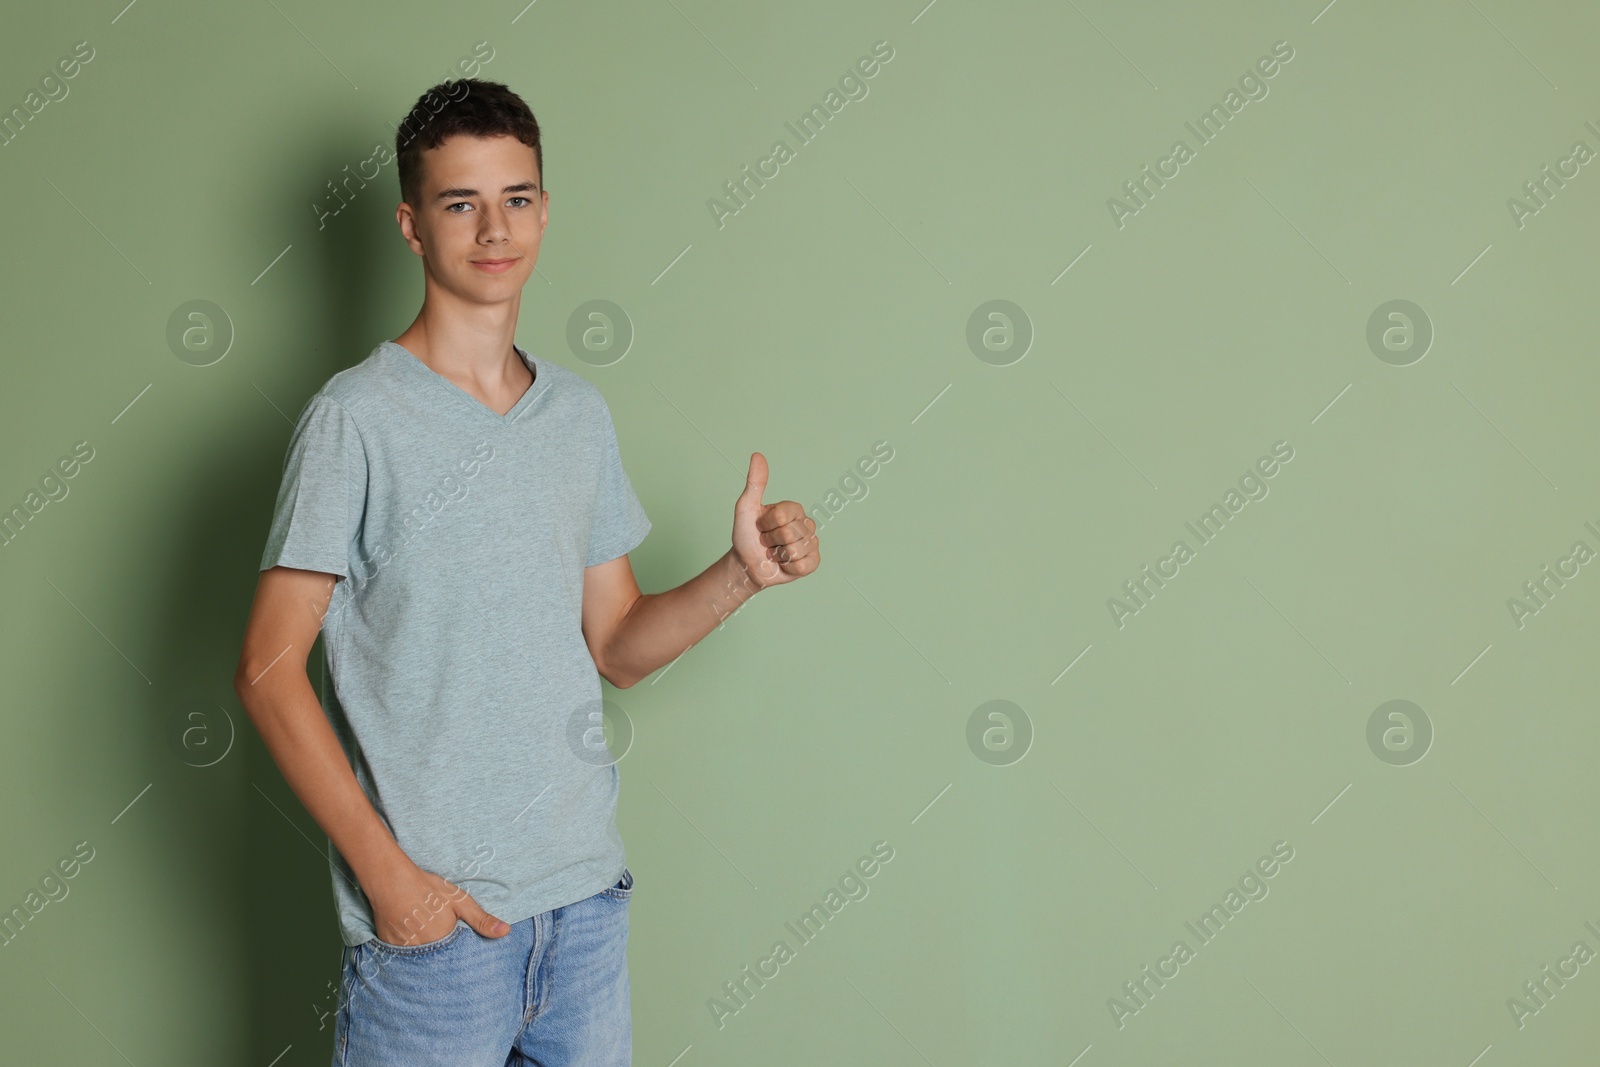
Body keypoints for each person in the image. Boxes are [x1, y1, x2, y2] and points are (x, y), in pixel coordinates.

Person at [233, 78, 819, 1066]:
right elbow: (264, 667)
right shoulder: (356, 419)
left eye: (516, 197)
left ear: (543, 209)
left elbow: (618, 644)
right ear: (412, 225)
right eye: (460, 202)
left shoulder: (576, 416)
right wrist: (388, 878)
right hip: (436, 938)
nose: (493, 227)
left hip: (584, 913)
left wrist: (739, 573)